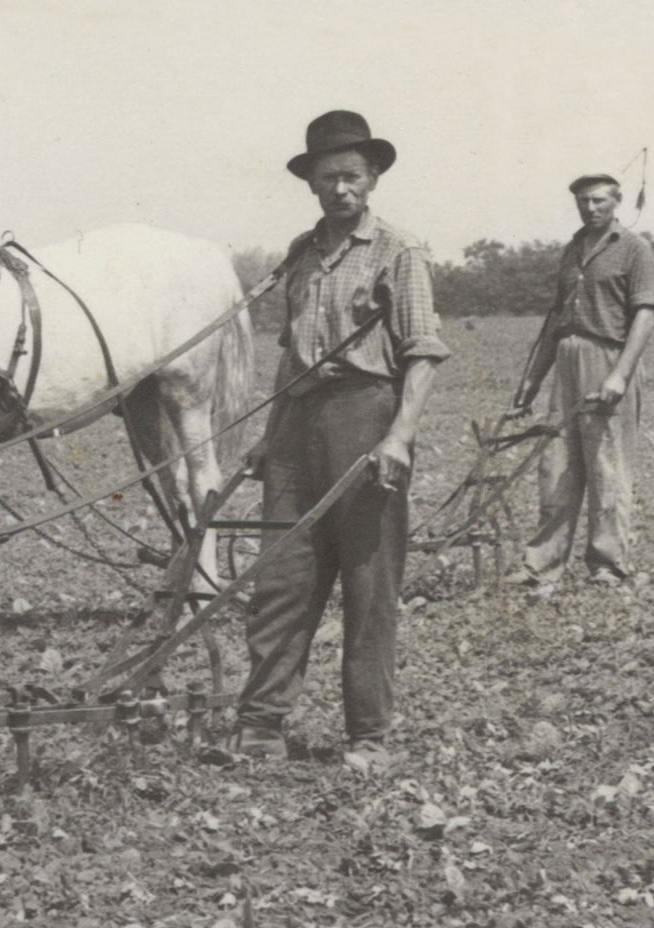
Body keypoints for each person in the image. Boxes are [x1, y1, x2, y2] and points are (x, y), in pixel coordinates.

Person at [223, 110, 450, 775]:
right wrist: (269, 438)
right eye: (328, 178)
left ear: (372, 177)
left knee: (368, 584)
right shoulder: (300, 253)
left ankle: (369, 736)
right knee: (282, 579)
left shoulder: (397, 251)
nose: (340, 190)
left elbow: (422, 352)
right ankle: (262, 725)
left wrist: (399, 436)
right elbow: (290, 353)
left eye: (351, 176)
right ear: (312, 183)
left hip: (366, 417)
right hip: (297, 427)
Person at [509, 173, 654, 591]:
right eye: (583, 202)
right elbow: (555, 317)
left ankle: (607, 565)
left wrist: (619, 375)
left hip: (609, 355)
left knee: (606, 466)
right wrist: (532, 381)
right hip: (567, 358)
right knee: (555, 465)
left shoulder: (635, 250)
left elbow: (645, 316)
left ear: (617, 202)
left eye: (598, 201)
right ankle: (541, 564)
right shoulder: (572, 250)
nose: (590, 209)